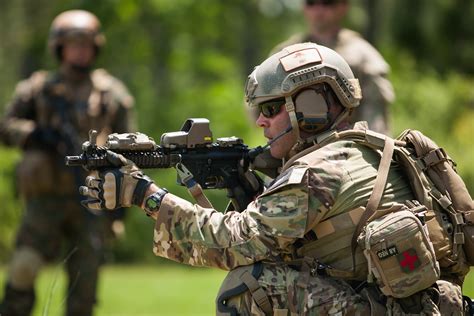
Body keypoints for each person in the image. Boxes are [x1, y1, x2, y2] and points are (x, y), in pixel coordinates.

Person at [79, 43, 465, 314]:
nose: (261, 120)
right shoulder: (371, 148)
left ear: (311, 106)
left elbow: (233, 243)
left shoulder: (317, 172)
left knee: (250, 286)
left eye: (272, 107)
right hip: (418, 306)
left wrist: (144, 194)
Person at [0, 10, 135, 316]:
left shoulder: (111, 93)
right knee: (23, 269)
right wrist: (36, 134)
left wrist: (120, 210)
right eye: (74, 44)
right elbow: (5, 127)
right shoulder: (37, 89)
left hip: (92, 199)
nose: (80, 50)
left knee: (84, 286)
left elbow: (129, 147)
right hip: (45, 199)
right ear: (59, 47)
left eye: (86, 44)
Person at [270, 0, 394, 135]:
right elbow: (261, 109)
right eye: (311, 3)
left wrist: (373, 150)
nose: (318, 10)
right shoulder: (284, 54)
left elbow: (376, 119)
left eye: (327, 3)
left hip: (347, 147)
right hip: (294, 149)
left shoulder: (363, 56)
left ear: (343, 6)